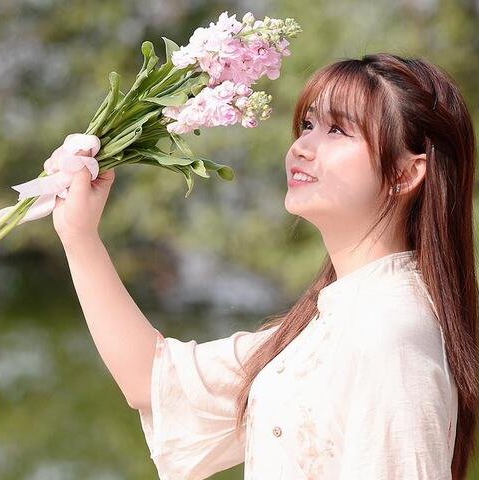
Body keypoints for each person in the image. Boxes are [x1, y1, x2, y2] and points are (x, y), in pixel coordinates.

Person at [51, 53, 478, 479]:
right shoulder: (327, 323)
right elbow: (152, 382)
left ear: (405, 174)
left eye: (337, 130)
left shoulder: (389, 332)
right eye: (308, 125)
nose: (301, 148)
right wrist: (78, 233)